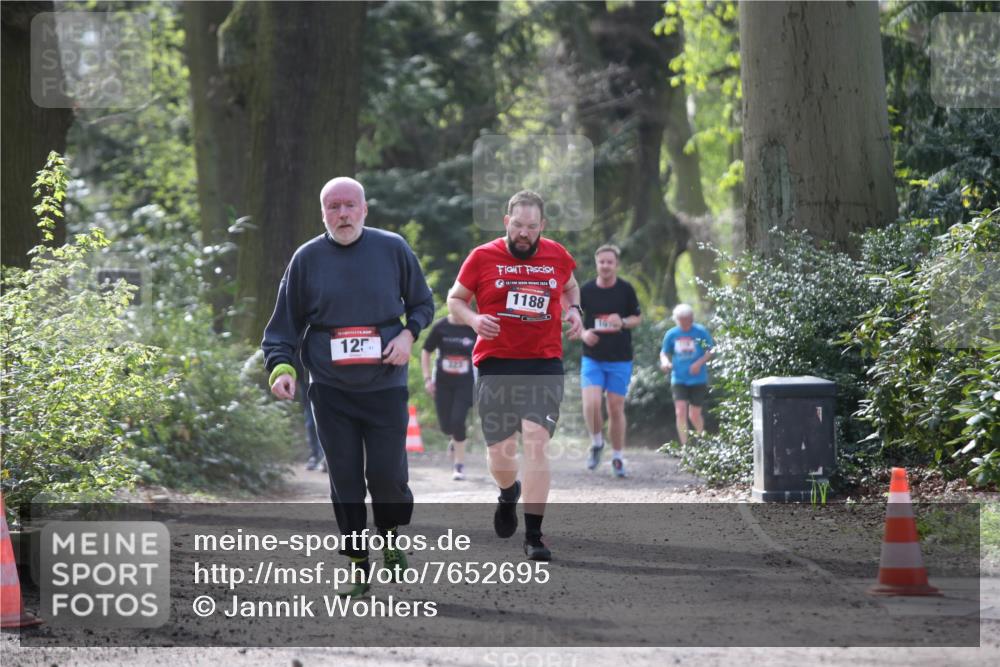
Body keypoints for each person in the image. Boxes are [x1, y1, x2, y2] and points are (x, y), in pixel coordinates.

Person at [262, 177, 434, 593]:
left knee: (386, 473)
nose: (343, 214)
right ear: (323, 213)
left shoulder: (392, 248)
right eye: (334, 207)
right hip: (330, 388)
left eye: (350, 206)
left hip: (385, 384)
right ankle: (358, 565)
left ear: (364, 209)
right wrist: (282, 368)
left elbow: (423, 303)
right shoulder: (306, 258)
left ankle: (391, 539)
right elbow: (283, 325)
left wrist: (408, 335)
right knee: (345, 479)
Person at [447, 189, 583, 561]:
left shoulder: (557, 255)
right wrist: (474, 319)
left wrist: (575, 312)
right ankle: (508, 492)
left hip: (543, 363)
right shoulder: (482, 257)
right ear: (507, 222)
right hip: (495, 363)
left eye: (532, 227)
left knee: (537, 441)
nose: (524, 233)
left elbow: (570, 288)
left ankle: (535, 535)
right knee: (501, 455)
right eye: (518, 225)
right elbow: (454, 299)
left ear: (543, 226)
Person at [579, 244, 642, 476]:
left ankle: (617, 458)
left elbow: (637, 318)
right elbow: (573, 318)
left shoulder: (625, 289)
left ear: (616, 265)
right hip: (592, 357)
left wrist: (623, 322)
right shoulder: (586, 290)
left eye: (609, 262)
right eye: (601, 261)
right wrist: (584, 333)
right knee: (592, 403)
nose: (605, 265)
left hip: (619, 358)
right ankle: (597, 443)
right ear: (596, 264)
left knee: (615, 407)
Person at [421, 313, 477, 480]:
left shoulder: (473, 326)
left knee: (458, 421)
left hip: (466, 383)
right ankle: (455, 440)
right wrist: (427, 379)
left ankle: (458, 466)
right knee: (447, 426)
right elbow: (426, 350)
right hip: (443, 383)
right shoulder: (441, 327)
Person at [659, 303, 715, 446]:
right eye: (681, 320)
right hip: (679, 378)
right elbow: (664, 352)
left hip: (698, 379)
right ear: (676, 320)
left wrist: (699, 363)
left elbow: (711, 350)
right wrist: (665, 362)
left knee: (694, 414)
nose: (684, 323)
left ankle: (702, 441)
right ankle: (685, 447)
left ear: (691, 318)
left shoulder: (700, 332)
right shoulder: (672, 334)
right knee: (680, 411)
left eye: (687, 320)